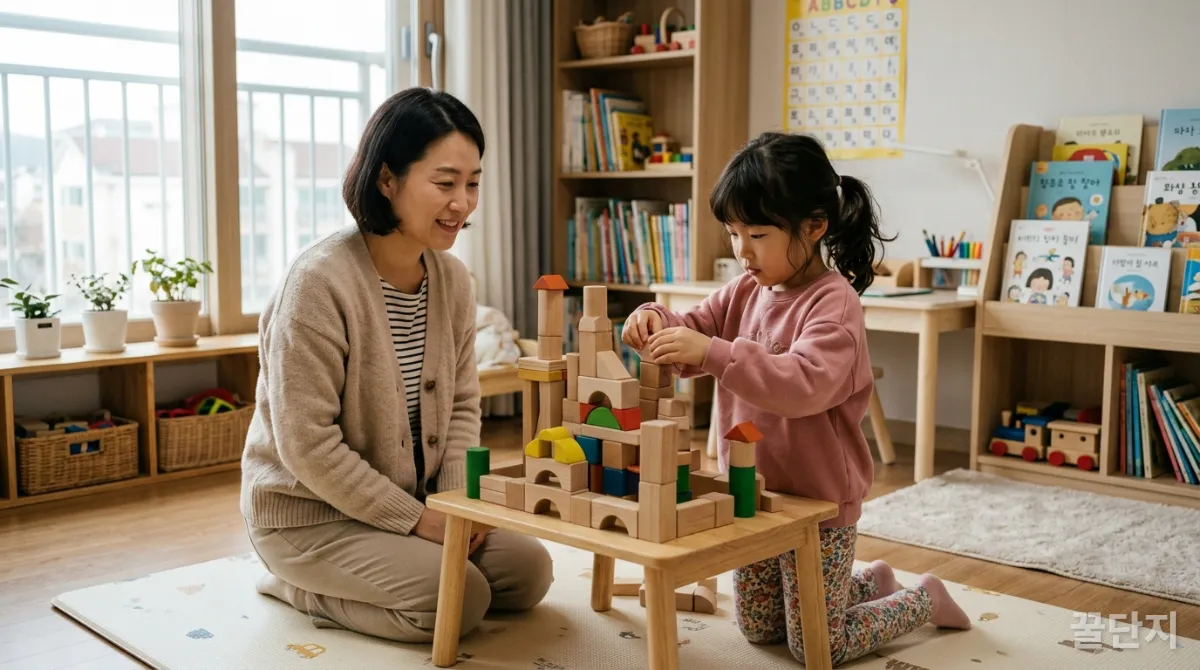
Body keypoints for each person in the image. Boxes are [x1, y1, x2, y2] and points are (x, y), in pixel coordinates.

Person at [622, 131, 970, 666]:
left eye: (757, 234)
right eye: (733, 233)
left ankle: (923, 598)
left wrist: (712, 352)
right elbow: (694, 327)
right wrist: (655, 319)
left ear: (814, 226)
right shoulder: (745, 289)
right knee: (760, 630)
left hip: (819, 501)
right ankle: (869, 581)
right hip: (754, 492)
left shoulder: (836, 304)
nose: (741, 251)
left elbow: (800, 384)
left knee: (816, 645)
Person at [240, 87, 553, 643]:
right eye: (444, 182)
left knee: (529, 573)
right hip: (309, 515)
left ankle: (406, 555)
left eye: (473, 182)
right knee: (461, 601)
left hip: (409, 503)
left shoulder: (453, 281)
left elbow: (460, 404)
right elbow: (307, 445)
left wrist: (457, 508)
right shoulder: (316, 285)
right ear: (388, 180)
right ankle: (297, 587)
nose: (463, 202)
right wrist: (417, 522)